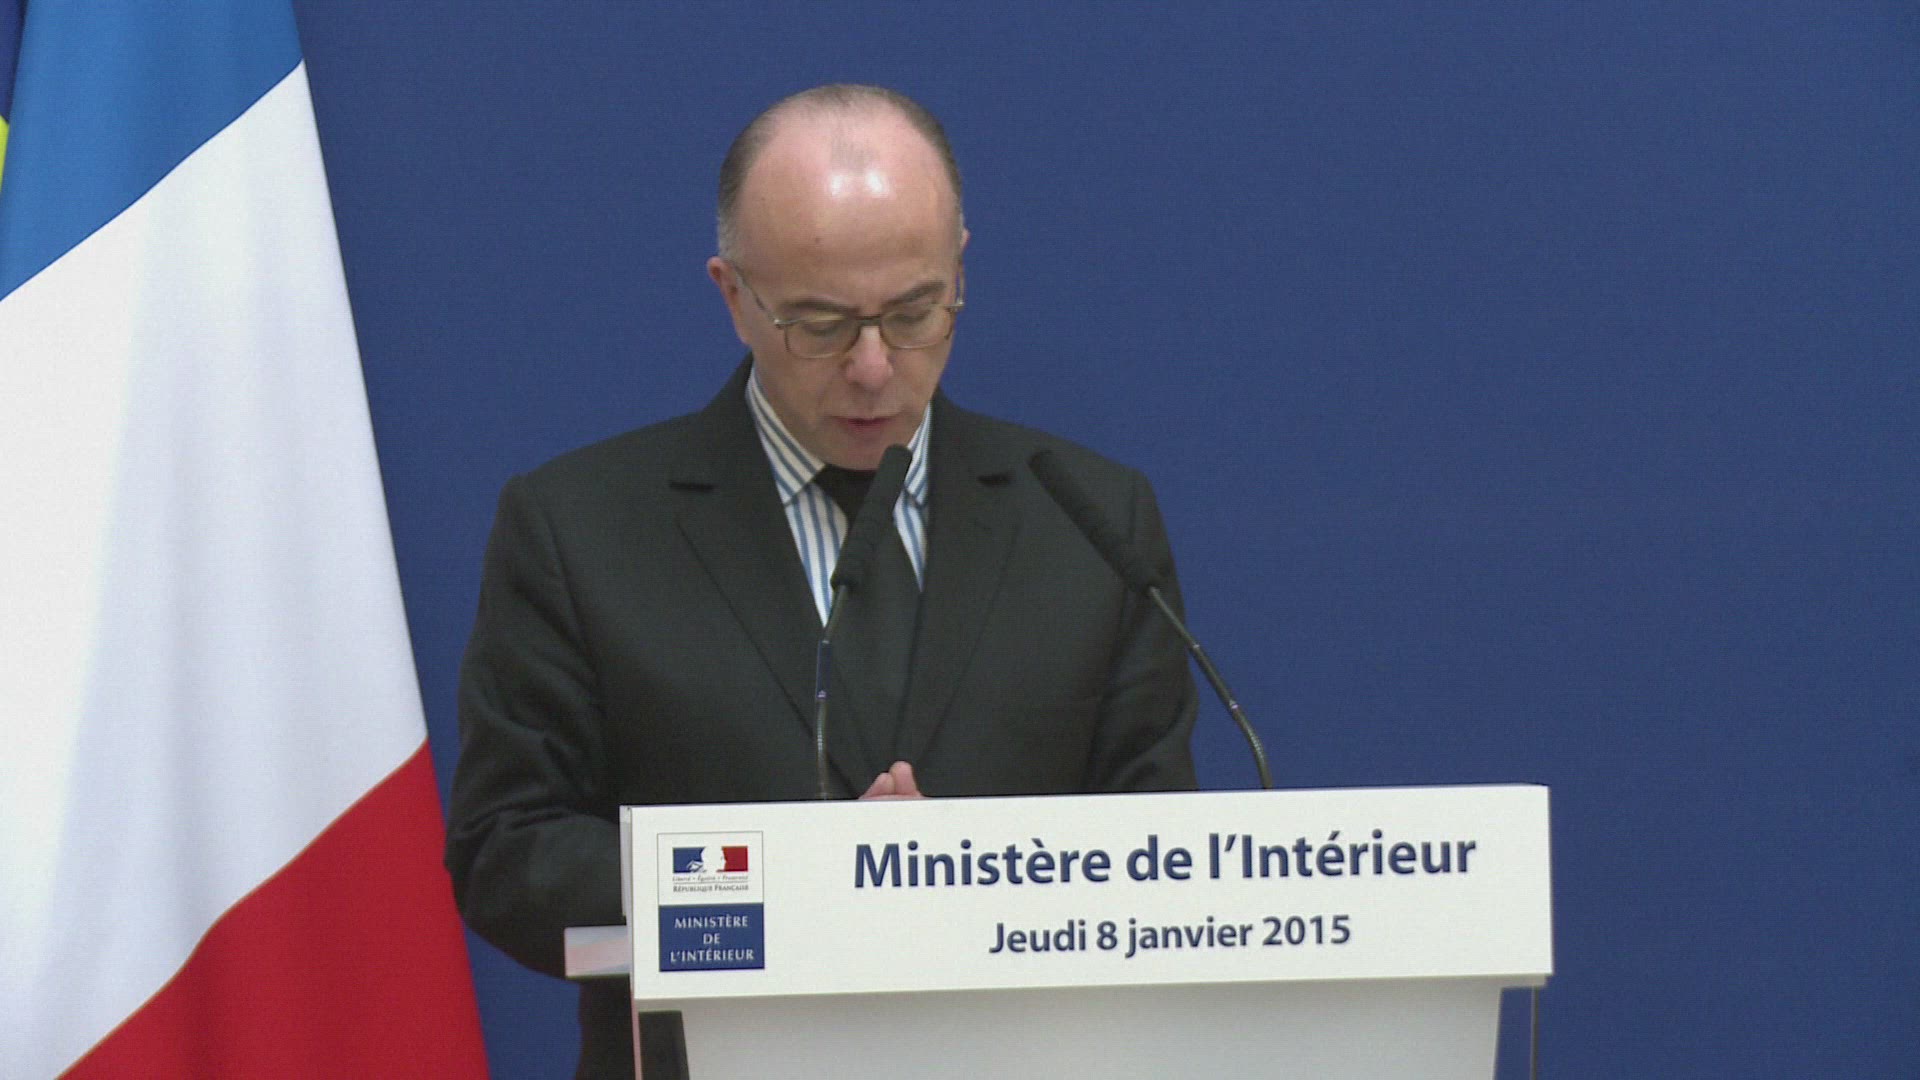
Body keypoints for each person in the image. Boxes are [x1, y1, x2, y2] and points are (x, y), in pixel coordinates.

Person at [444, 84, 1198, 1079]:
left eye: (915, 313)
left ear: (960, 270)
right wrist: (791, 884)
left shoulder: (1090, 522)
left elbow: (1163, 854)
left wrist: (976, 878)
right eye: (821, 323)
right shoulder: (579, 529)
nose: (875, 368)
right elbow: (509, 855)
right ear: (734, 297)